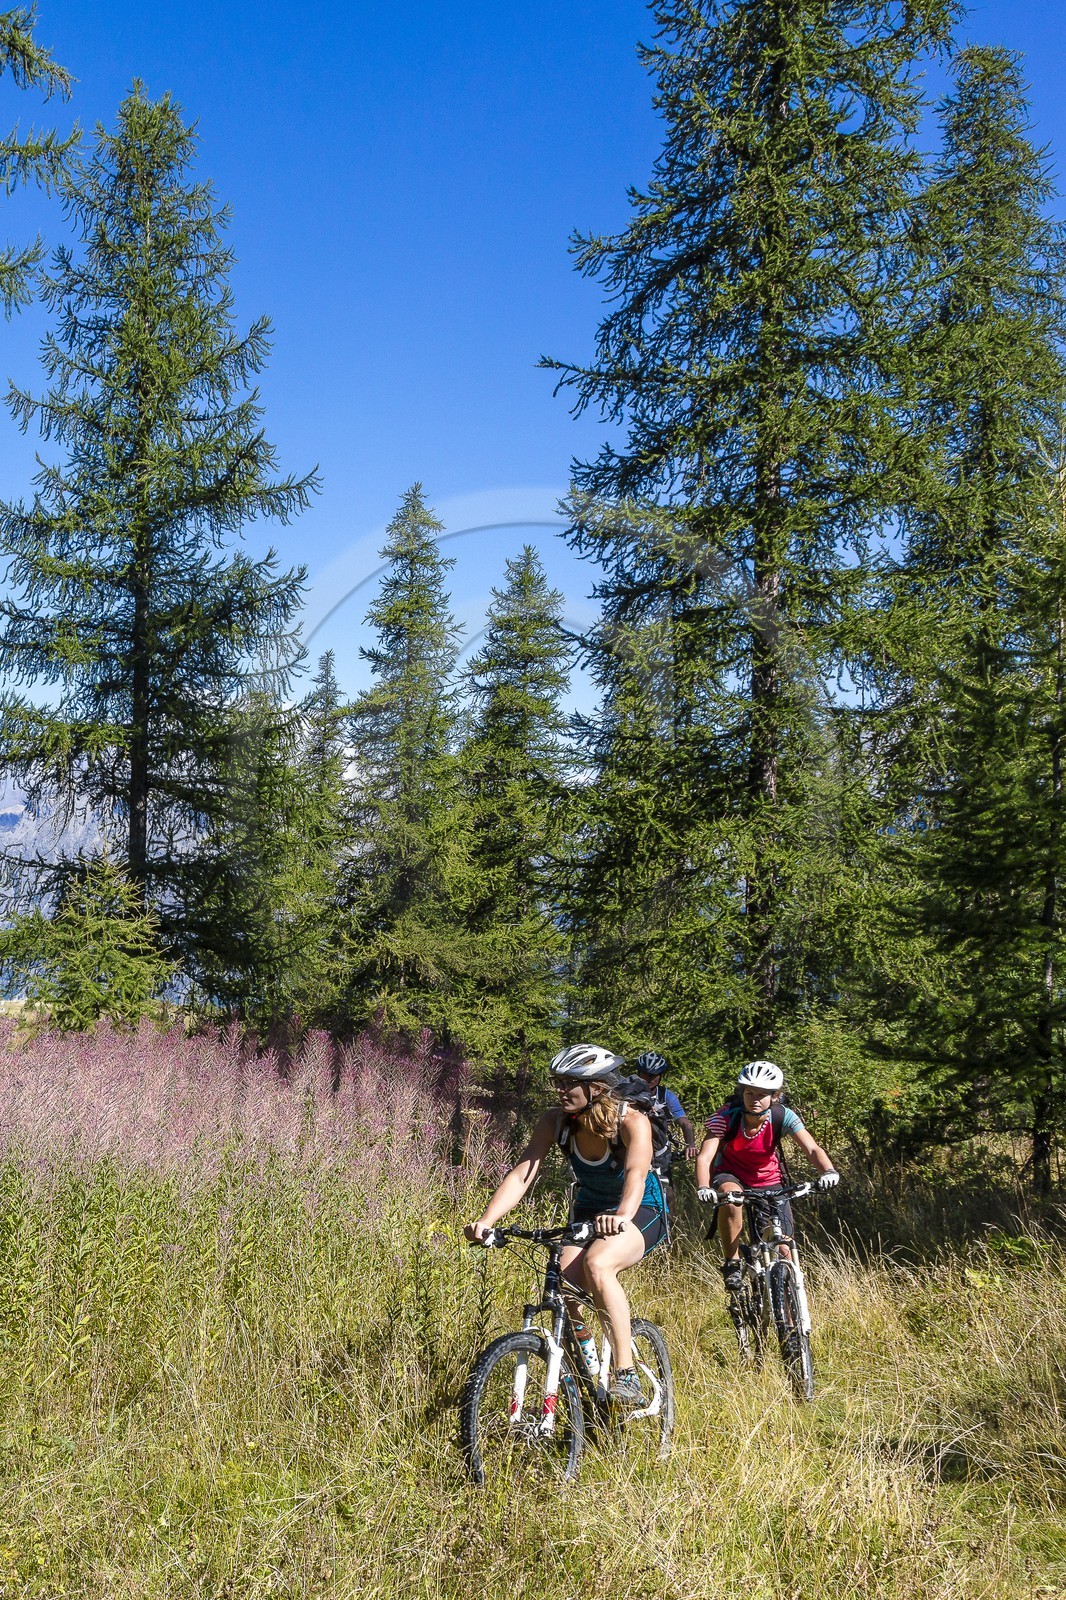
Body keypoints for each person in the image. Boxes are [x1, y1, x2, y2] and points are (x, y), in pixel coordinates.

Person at [465, 1043, 668, 1405]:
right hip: (590, 1209)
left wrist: (621, 1217)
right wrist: (486, 1221)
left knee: (598, 1264)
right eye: (556, 1082)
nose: (559, 1090)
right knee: (561, 1283)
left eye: (569, 1083)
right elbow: (524, 1173)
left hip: (639, 1209)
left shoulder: (631, 1121)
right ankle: (591, 1370)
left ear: (597, 1087)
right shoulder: (554, 1121)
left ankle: (627, 1373)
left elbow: (637, 1173)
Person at [694, 1059, 839, 1291]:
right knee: (733, 1198)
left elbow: (812, 1149)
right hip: (731, 1175)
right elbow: (704, 1157)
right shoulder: (725, 1117)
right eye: (749, 1092)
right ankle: (732, 1263)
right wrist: (704, 1187)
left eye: (763, 1094)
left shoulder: (784, 1116)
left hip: (770, 1180)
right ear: (742, 1093)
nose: (755, 1099)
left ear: (775, 1096)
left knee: (784, 1249)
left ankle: (792, 1321)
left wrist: (828, 1171)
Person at [633, 1050, 698, 1178]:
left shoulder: (666, 1096)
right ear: (639, 1073)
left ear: (660, 1076)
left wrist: (690, 1145)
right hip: (632, 1146)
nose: (649, 1078)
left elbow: (685, 1123)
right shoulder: (629, 1092)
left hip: (659, 1150)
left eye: (654, 1075)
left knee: (668, 1194)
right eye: (645, 1074)